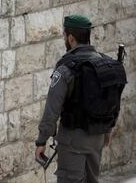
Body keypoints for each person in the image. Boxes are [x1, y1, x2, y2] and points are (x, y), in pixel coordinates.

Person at [34, 14, 127, 183]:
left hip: (72, 141)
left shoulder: (66, 69)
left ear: (70, 38)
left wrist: (41, 140)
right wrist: (108, 130)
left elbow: (52, 110)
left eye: (64, 35)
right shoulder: (103, 65)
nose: (64, 39)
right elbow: (112, 101)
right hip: (97, 138)